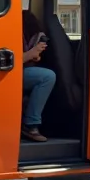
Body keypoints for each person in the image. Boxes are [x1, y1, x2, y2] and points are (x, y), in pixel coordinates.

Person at [20, 10, 54, 142]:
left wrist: (34, 56)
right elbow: (11, 59)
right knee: (47, 77)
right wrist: (31, 53)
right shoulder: (12, 34)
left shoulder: (30, 39)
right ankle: (30, 124)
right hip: (10, 73)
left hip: (21, 71)